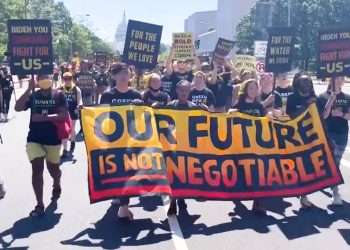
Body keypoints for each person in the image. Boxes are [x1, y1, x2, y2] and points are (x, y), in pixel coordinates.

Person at [15, 75, 69, 217]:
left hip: (53, 139)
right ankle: (39, 204)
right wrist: (28, 90)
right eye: (41, 77)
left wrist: (43, 118)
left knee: (53, 169)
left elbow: (63, 115)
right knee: (37, 169)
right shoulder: (33, 96)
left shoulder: (58, 94)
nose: (44, 79)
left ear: (51, 79)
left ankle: (56, 183)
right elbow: (18, 108)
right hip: (34, 138)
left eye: (46, 77)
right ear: (37, 81)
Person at [100, 63, 142, 220]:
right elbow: (100, 117)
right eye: (120, 73)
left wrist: (142, 107)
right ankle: (119, 196)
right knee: (116, 170)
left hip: (131, 140)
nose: (124, 75)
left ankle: (124, 206)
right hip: (113, 140)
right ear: (114, 76)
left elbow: (142, 119)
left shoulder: (136, 95)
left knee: (128, 172)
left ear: (130, 75)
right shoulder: (107, 95)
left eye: (126, 72)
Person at [228, 79, 269, 214]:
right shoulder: (238, 105)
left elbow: (263, 124)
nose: (253, 91)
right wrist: (230, 114)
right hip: (240, 145)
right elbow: (230, 121)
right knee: (240, 172)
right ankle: (236, 198)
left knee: (257, 174)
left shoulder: (258, 106)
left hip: (256, 145)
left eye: (255, 88)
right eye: (250, 88)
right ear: (245, 90)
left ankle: (257, 203)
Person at [286, 71, 316, 209]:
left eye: (308, 82)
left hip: (312, 138)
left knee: (309, 168)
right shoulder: (292, 98)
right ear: (297, 84)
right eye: (303, 82)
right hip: (296, 138)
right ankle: (301, 194)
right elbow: (291, 116)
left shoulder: (315, 98)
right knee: (298, 167)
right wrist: (306, 106)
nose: (307, 85)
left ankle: (303, 195)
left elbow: (322, 117)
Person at [166, 80, 197, 216]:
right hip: (173, 146)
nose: (184, 93)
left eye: (186, 90)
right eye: (181, 90)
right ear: (177, 91)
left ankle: (182, 199)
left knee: (184, 175)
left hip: (187, 147)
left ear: (189, 91)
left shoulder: (194, 107)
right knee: (173, 176)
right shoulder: (170, 106)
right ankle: (173, 202)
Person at [318, 76, 350, 205]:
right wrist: (330, 102)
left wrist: (342, 114)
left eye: (341, 78)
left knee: (336, 160)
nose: (339, 80)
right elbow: (323, 116)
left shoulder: (347, 97)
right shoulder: (322, 97)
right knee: (333, 160)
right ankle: (335, 190)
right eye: (336, 78)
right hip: (328, 133)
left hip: (342, 133)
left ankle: (327, 179)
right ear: (330, 80)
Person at [59, 72, 83, 158]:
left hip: (73, 111)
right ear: (63, 79)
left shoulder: (76, 89)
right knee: (64, 131)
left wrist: (79, 105)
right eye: (66, 79)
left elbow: (80, 100)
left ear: (72, 79)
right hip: (63, 113)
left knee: (72, 129)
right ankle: (65, 150)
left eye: (69, 78)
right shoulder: (60, 88)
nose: (68, 80)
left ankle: (72, 143)